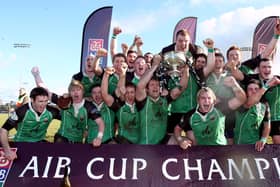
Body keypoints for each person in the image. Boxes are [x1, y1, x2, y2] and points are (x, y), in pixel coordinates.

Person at [31, 67, 105, 146]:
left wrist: (99, 138)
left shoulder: (88, 106)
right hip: (62, 137)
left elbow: (100, 123)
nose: (76, 93)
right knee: (60, 143)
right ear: (69, 92)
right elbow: (46, 92)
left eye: (78, 90)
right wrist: (36, 75)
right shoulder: (64, 101)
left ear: (83, 91)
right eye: (73, 90)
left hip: (78, 141)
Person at [174, 81, 246, 149]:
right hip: (202, 151)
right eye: (203, 98)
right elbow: (177, 129)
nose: (206, 101)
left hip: (220, 150)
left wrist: (234, 85)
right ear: (198, 101)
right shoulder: (191, 115)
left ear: (214, 101)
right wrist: (180, 140)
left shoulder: (221, 109)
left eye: (209, 98)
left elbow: (241, 99)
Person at [136, 54, 189, 144]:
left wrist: (186, 69)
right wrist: (155, 65)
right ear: (147, 90)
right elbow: (140, 86)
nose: (155, 87)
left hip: (162, 142)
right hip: (145, 144)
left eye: (157, 85)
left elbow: (181, 87)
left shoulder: (165, 100)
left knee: (182, 141)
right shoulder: (143, 101)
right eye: (152, 85)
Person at [0, 87, 60, 161]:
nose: (43, 104)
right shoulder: (22, 111)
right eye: (40, 101)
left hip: (40, 143)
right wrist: (7, 151)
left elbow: (68, 119)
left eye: (46, 101)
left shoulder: (51, 111)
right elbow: (4, 130)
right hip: (21, 143)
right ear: (32, 100)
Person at [229, 58, 280, 144]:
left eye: (269, 67)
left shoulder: (276, 79)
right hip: (257, 119)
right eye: (263, 67)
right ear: (258, 69)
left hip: (276, 119)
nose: (267, 70)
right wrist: (233, 67)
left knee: (276, 141)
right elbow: (240, 75)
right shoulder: (253, 79)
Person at [101, 64, 140, 144]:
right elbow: (104, 94)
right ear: (123, 93)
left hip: (140, 143)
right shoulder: (119, 106)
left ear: (136, 93)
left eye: (132, 92)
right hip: (123, 142)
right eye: (127, 92)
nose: (129, 95)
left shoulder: (141, 105)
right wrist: (106, 75)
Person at [234, 79, 271, 152]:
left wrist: (263, 139)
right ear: (246, 92)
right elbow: (249, 103)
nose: (254, 91)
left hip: (254, 147)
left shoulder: (265, 105)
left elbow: (267, 125)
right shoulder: (243, 102)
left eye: (256, 89)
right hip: (238, 145)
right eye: (250, 89)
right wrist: (268, 85)